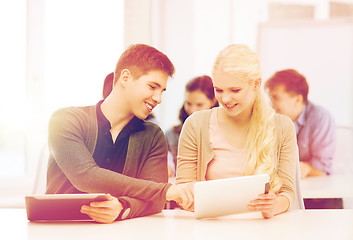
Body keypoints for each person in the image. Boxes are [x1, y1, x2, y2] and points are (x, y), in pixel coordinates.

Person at [46, 44, 193, 223]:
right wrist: (165, 190)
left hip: (120, 232)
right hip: (57, 229)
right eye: (152, 86)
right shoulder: (66, 119)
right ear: (125, 77)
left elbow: (155, 201)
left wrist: (123, 207)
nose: (158, 98)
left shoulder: (153, 136)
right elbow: (85, 176)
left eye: (161, 91)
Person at [176, 44, 298, 219]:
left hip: (262, 228)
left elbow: (287, 192)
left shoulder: (283, 127)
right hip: (211, 226)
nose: (225, 99)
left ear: (256, 84)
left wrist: (274, 206)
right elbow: (184, 188)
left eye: (235, 90)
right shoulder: (196, 124)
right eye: (219, 90)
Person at [264, 69, 336, 179]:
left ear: (297, 99)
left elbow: (322, 168)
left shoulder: (320, 117)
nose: (271, 104)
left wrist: (301, 168)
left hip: (317, 189)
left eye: (275, 98)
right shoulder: (273, 119)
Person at [165, 75, 218, 177]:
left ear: (213, 101)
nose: (192, 110)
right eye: (188, 103)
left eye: (199, 105)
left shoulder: (221, 133)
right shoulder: (171, 135)